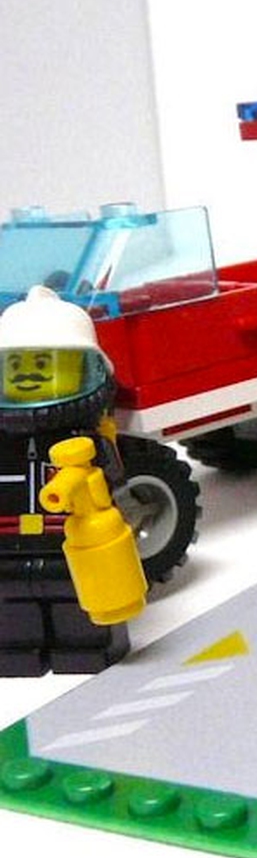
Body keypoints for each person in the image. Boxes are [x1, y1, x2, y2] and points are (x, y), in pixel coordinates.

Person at [0, 285, 143, 676]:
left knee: (77, 605)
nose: (29, 376)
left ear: (84, 370)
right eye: (16, 365)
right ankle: (18, 653)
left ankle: (86, 649)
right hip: (7, 549)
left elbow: (111, 480)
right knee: (12, 610)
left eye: (45, 363)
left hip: (72, 548)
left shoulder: (87, 442)